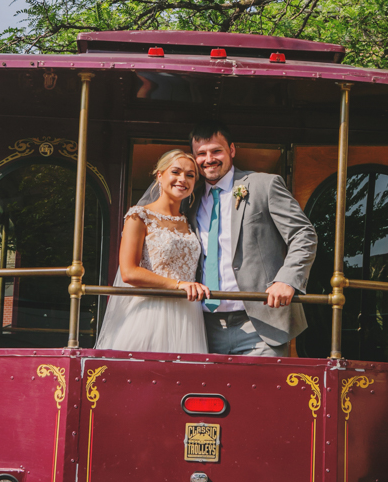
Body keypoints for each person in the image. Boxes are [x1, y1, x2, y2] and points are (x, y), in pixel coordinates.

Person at [188, 121, 317, 357]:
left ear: (232, 150)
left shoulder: (263, 184)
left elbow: (303, 234)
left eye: (216, 151)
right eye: (201, 154)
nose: (209, 159)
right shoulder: (189, 199)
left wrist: (287, 280)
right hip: (203, 325)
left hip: (261, 323)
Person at [95, 150, 209, 353]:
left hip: (187, 316)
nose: (182, 179)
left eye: (190, 175)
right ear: (159, 175)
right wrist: (178, 285)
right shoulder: (139, 216)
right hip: (149, 313)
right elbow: (129, 272)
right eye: (176, 172)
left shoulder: (190, 221)